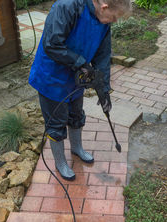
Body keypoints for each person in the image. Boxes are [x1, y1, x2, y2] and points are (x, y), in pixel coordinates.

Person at [29, 0, 131, 181]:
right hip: (51, 77)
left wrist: (103, 89)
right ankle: (60, 162)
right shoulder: (67, 6)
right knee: (56, 122)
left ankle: (77, 148)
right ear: (104, 6)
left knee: (76, 114)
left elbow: (102, 55)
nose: (114, 21)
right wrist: (80, 63)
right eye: (114, 17)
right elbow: (52, 44)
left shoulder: (103, 20)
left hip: (76, 77)